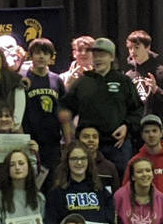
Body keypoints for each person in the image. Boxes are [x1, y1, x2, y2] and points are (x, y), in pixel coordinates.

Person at [63, 37, 147, 169]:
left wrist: (127, 126)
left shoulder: (124, 81)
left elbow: (138, 110)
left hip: (118, 146)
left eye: (102, 55)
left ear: (112, 57)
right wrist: (70, 139)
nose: (97, 59)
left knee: (119, 183)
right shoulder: (82, 82)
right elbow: (65, 110)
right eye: (95, 55)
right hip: (88, 147)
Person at [21, 38, 69, 170]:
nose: (41, 56)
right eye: (37, 53)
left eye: (45, 53)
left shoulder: (57, 80)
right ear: (31, 56)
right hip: (28, 142)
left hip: (52, 143)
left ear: (50, 57)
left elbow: (64, 114)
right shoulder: (22, 79)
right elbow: (16, 113)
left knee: (52, 184)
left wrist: (68, 142)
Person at [123, 30, 163, 123]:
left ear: (147, 47)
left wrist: (156, 90)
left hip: (157, 128)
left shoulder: (162, 72)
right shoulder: (129, 75)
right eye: (130, 48)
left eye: (137, 47)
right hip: (136, 127)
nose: (132, 51)